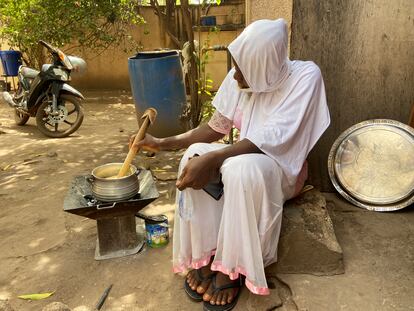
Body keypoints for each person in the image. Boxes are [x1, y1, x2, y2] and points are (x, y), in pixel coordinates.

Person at [131, 18, 330, 311]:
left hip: (281, 172)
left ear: (264, 67)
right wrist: (161, 144)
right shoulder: (242, 74)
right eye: (235, 66)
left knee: (240, 168)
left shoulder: (305, 77)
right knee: (194, 155)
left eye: (241, 71)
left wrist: (216, 157)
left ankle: (232, 268)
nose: (234, 76)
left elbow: (275, 137)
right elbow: (214, 128)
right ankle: (207, 254)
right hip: (241, 160)